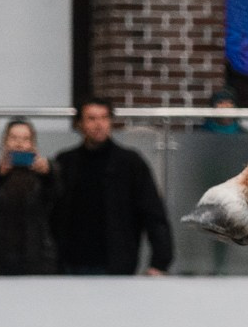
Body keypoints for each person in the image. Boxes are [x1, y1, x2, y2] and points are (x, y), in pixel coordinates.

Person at [52, 98, 173, 276]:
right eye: (91, 119)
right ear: (80, 124)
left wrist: (160, 262)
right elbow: (51, 212)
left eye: (104, 118)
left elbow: (153, 213)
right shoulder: (66, 162)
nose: (98, 124)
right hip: (71, 262)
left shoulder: (130, 163)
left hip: (116, 263)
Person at [0, 118, 62, 276]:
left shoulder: (43, 177)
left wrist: (48, 173)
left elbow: (57, 196)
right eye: (14, 138)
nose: (19, 144)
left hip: (35, 258)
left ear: (33, 144)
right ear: (4, 141)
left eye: (25, 139)